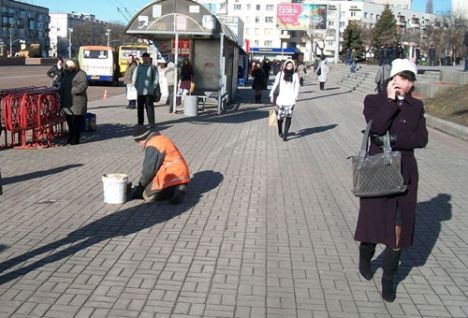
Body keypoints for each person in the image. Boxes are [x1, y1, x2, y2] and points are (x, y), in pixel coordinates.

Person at [354, 58, 428, 302]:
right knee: (373, 222)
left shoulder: (416, 107)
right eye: (402, 77)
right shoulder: (373, 101)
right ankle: (366, 253)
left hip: (405, 172)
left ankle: (389, 278)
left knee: (399, 228)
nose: (405, 83)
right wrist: (389, 101)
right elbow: (376, 128)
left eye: (409, 79)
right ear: (392, 78)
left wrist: (394, 139)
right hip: (378, 170)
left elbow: (421, 138)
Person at [129, 126, 190, 204]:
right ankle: (179, 186)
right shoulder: (160, 138)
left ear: (139, 140)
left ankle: (174, 190)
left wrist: (140, 187)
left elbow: (149, 171)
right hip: (182, 174)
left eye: (138, 143)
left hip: (171, 174)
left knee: (147, 195)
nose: (140, 145)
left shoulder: (153, 145)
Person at [269, 59, 300, 141]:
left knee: (289, 117)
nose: (289, 67)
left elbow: (297, 87)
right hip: (281, 99)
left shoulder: (295, 75)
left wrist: (295, 97)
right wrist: (271, 94)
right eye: (288, 65)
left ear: (293, 66)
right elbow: (275, 84)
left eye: (291, 66)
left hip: (291, 99)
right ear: (285, 66)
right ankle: (280, 131)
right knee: (280, 117)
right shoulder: (280, 74)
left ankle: (285, 135)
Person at [59, 59, 88, 145]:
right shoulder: (67, 73)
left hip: (77, 101)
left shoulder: (81, 73)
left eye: (71, 66)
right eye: (68, 66)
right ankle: (71, 136)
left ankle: (76, 139)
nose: (70, 68)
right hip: (67, 102)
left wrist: (73, 90)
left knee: (76, 121)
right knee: (69, 121)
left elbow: (83, 85)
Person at [132, 52, 159, 126]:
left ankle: (151, 123)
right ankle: (140, 123)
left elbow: (156, 79)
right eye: (143, 58)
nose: (145, 59)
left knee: (149, 108)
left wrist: (152, 87)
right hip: (140, 92)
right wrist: (137, 87)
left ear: (149, 58)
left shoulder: (152, 67)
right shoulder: (139, 67)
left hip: (149, 92)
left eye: (146, 58)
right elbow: (134, 79)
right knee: (140, 109)